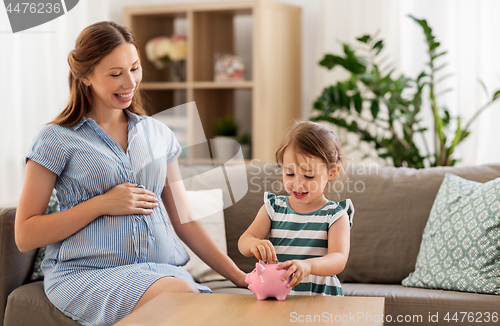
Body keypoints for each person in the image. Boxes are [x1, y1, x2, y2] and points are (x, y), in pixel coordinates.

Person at [15, 21, 246, 326]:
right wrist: (101, 204)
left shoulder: (158, 133)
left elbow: (184, 220)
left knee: (190, 300)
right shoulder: (56, 139)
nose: (130, 82)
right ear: (85, 76)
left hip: (159, 272)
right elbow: (25, 234)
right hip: (87, 275)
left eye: (134, 69)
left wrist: (240, 277)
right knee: (179, 297)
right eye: (115, 74)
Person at [238, 121, 354, 296]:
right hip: (278, 296)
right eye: (290, 174)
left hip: (321, 298)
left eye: (308, 176)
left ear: (332, 172)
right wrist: (254, 243)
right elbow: (244, 241)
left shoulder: (335, 215)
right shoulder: (273, 208)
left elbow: (338, 259)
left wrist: (309, 266)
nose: (298, 184)